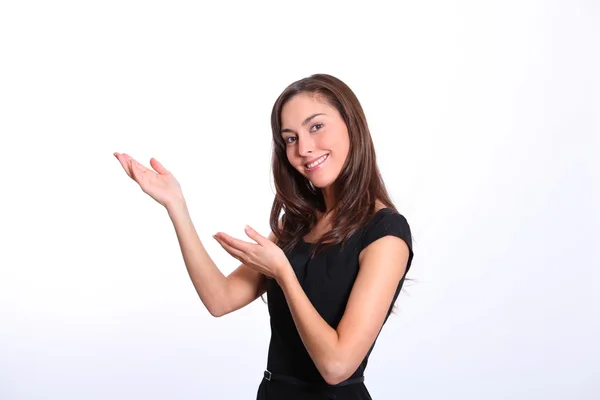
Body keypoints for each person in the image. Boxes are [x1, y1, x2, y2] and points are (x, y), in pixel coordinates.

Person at [114, 73, 414, 399]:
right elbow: (220, 299)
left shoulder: (386, 234)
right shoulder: (297, 225)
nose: (304, 148)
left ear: (351, 125)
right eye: (290, 138)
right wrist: (176, 205)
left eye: (316, 127)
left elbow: (337, 366)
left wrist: (283, 273)